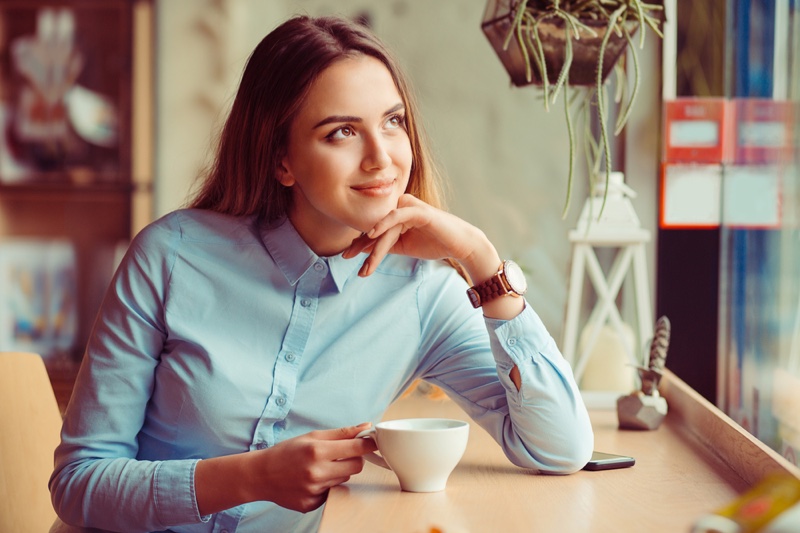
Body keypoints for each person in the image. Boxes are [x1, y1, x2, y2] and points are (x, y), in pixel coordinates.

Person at [49, 14, 593, 533]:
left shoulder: (423, 293)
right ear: (281, 160)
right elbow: (79, 483)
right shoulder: (171, 256)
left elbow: (558, 448)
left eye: (393, 122)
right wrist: (252, 476)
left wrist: (479, 259)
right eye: (341, 133)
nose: (381, 158)